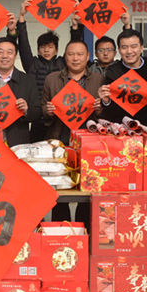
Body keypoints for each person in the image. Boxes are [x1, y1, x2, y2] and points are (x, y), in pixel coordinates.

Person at [41, 39, 105, 224]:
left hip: (90, 142)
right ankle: (62, 230)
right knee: (60, 189)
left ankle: (85, 230)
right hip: (60, 140)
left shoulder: (99, 80)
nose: (75, 58)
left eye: (80, 54)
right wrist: (48, 111)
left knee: (88, 187)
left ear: (88, 56)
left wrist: (101, 109)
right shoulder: (52, 79)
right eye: (71, 54)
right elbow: (42, 108)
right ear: (65, 56)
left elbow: (108, 113)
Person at [10, 0, 75, 142]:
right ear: (38, 50)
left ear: (56, 50)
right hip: (37, 120)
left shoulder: (63, 63)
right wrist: (21, 18)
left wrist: (75, 27)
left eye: (50, 47)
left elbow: (74, 46)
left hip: (60, 119)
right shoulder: (32, 64)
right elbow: (24, 46)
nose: (46, 50)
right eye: (43, 47)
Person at [98, 29, 147, 127]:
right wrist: (106, 102)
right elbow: (111, 111)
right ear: (119, 50)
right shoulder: (113, 72)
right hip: (124, 128)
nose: (129, 51)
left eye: (133, 46)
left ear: (141, 48)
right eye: (124, 47)